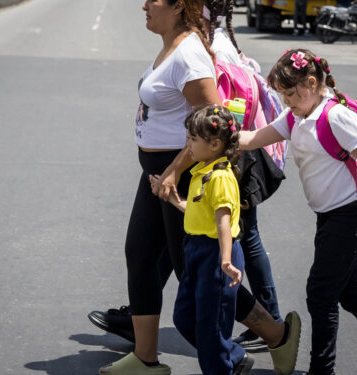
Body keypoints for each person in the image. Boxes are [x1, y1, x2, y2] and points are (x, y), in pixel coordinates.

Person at [96, 1, 300, 374]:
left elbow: (215, 125)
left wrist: (174, 171)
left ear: (177, 7)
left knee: (197, 272)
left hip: (183, 176)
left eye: (153, 0)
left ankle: (276, 334)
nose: (144, 5)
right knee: (140, 255)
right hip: (158, 175)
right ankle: (145, 359)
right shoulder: (171, 46)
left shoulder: (189, 54)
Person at [238, 49, 357, 375]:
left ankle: (322, 370)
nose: (287, 102)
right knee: (345, 289)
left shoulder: (336, 117)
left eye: (292, 94)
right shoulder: (296, 116)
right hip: (330, 214)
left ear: (312, 83)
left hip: (355, 211)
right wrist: (217, 132)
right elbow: (253, 138)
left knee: (320, 294)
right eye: (282, 96)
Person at [203, 0, 284, 351]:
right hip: (241, 155)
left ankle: (271, 321)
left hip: (233, 159)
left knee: (247, 237)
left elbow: (220, 114)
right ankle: (270, 320)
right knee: (248, 237)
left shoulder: (214, 48)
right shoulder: (223, 42)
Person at [160, 105, 251, 374]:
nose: (188, 144)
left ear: (214, 144)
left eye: (193, 139)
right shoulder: (202, 169)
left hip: (216, 255)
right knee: (184, 318)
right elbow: (200, 210)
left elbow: (223, 221)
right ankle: (233, 357)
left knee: (211, 329)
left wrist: (225, 260)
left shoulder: (220, 176)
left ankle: (223, 366)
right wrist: (174, 199)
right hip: (197, 251)